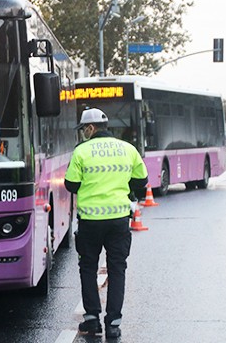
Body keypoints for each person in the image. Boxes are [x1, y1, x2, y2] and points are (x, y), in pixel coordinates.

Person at [64, 108, 148, 339]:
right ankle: (114, 323)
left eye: (84, 130)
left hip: (90, 222)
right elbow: (142, 181)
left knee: (88, 268)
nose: (83, 134)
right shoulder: (128, 149)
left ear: (90, 128)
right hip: (119, 221)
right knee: (117, 268)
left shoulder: (82, 151)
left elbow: (71, 185)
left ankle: (92, 321)